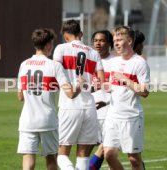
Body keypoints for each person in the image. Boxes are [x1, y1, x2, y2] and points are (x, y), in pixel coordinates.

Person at [17, 28, 85, 170]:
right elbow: (70, 94)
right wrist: (79, 85)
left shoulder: (24, 64)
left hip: (27, 120)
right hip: (47, 120)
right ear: (48, 45)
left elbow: (20, 96)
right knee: (51, 160)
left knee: (28, 161)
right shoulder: (54, 65)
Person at [53, 20, 105, 170]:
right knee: (83, 156)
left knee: (62, 154)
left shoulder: (61, 48)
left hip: (69, 106)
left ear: (65, 34)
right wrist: (86, 86)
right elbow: (100, 82)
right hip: (89, 106)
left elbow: (56, 72)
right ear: (80, 34)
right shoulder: (93, 53)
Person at [103, 26, 150, 170]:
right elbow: (113, 87)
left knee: (134, 160)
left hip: (131, 117)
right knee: (109, 155)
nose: (115, 43)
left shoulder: (140, 63)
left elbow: (145, 91)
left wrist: (126, 80)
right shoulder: (113, 62)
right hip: (113, 116)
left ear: (129, 41)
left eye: (119, 40)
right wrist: (103, 89)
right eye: (115, 40)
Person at [88, 30, 114, 170]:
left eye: (102, 40)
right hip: (89, 112)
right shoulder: (88, 60)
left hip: (108, 112)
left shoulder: (114, 62)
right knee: (84, 151)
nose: (98, 43)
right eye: (96, 40)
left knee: (107, 151)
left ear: (109, 43)